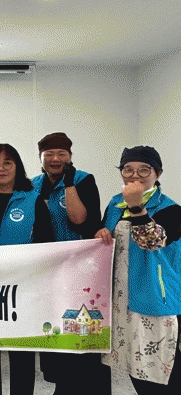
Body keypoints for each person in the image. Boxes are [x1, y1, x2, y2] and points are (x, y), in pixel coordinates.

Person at [0, 143, 54, 395]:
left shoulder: (32, 199)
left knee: (21, 352)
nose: (1, 168)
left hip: (22, 287)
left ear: (17, 167)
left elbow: (46, 244)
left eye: (7, 163)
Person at [96, 146, 181, 394]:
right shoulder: (115, 203)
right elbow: (108, 236)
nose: (134, 175)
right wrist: (102, 232)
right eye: (128, 169)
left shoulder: (171, 209)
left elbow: (152, 241)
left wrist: (136, 208)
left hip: (154, 299)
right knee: (135, 368)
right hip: (121, 300)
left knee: (160, 371)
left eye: (144, 170)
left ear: (157, 174)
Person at [31, 132, 109, 394]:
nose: (55, 159)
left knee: (83, 328)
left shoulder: (84, 180)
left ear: (70, 157)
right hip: (50, 270)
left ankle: (89, 386)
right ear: (40, 158)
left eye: (61, 154)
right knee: (55, 327)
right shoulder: (33, 185)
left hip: (82, 270)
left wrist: (68, 183)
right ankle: (62, 386)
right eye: (49, 154)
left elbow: (80, 220)